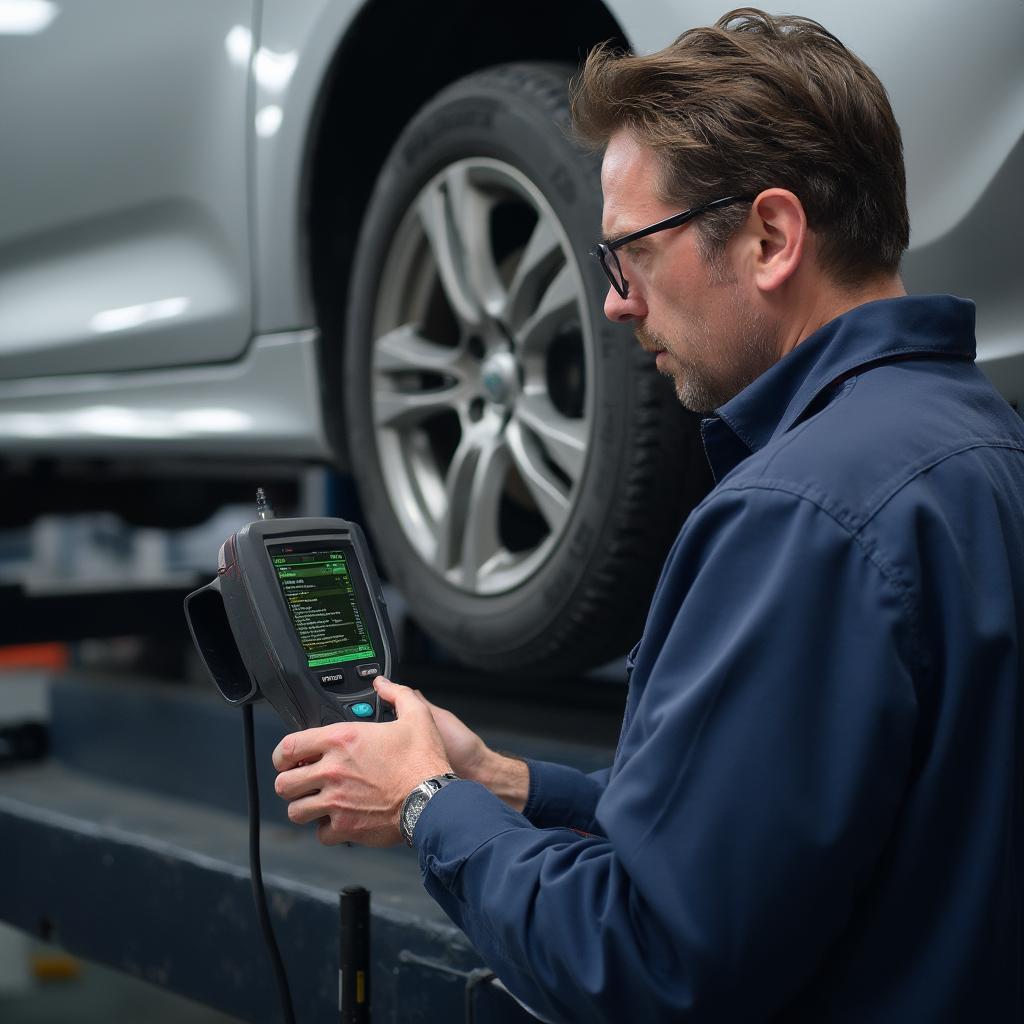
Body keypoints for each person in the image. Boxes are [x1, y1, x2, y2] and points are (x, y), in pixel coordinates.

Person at [272, 10, 1024, 1021]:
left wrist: (427, 805)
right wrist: (504, 784)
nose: (616, 304)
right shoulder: (979, 448)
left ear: (768, 236)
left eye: (627, 253)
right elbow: (768, 841)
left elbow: (644, 963)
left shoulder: (798, 518)